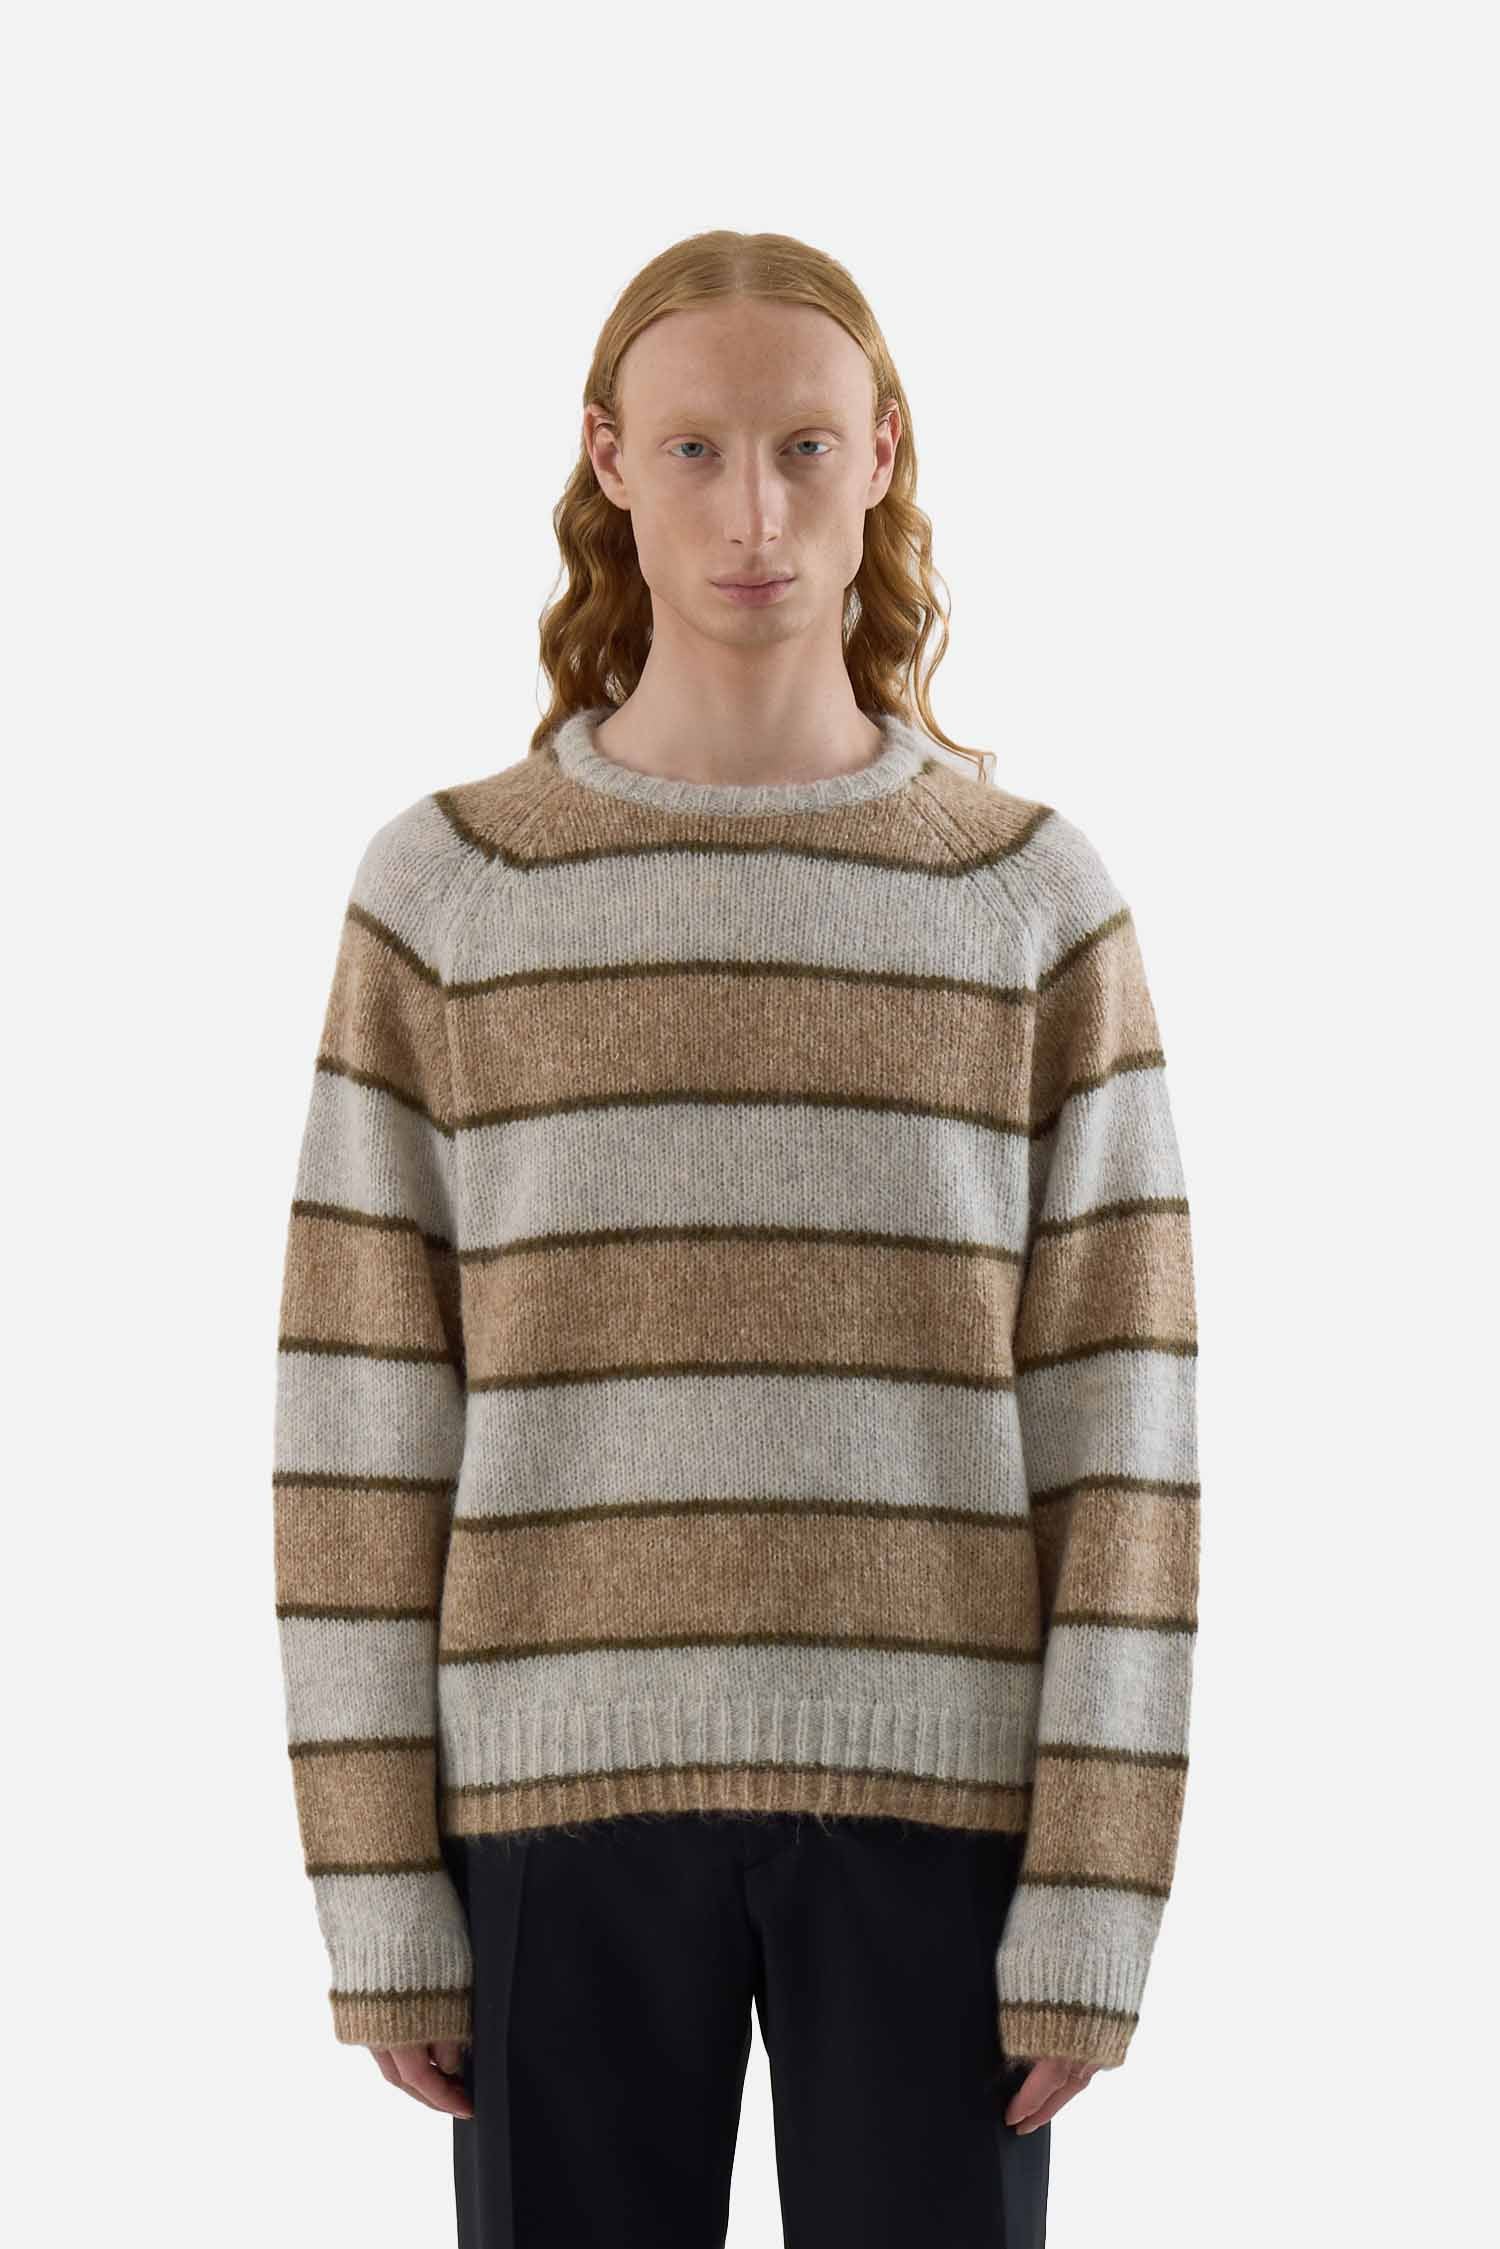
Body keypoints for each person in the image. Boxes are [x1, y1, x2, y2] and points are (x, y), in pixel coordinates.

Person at [272, 229, 1200, 2248]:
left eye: (804, 447)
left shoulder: (1033, 905)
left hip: (945, 1824)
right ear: (608, 459)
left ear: (886, 456)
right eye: (695, 448)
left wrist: (1099, 1885)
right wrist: (373, 1878)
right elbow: (357, 1408)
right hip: (546, 1821)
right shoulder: (451, 893)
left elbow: (1122, 1427)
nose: (755, 513)